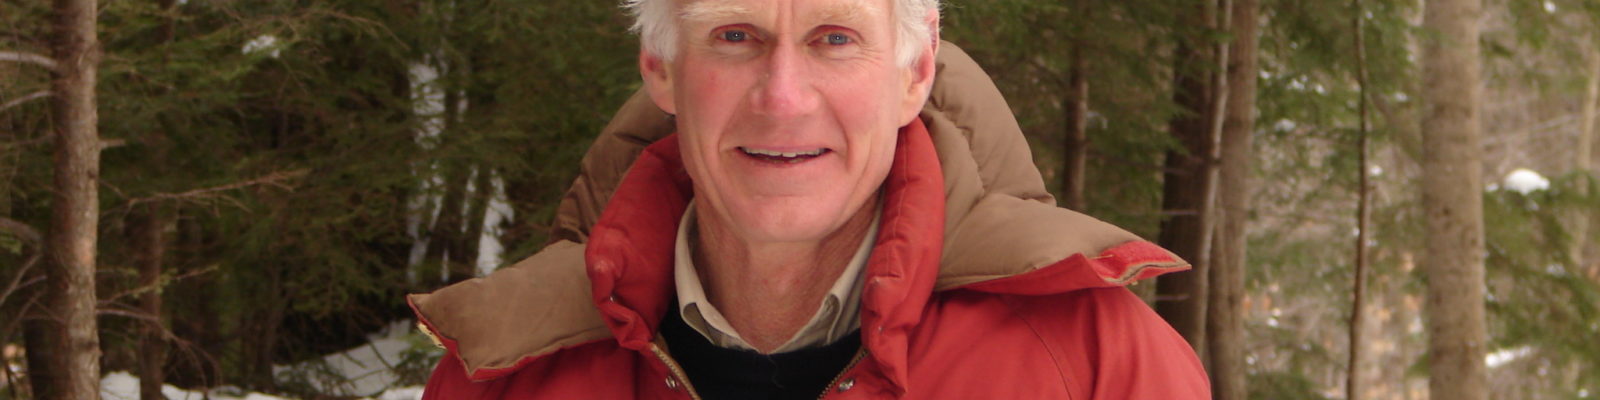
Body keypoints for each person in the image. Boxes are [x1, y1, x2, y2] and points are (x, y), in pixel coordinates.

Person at [410, 0, 1211, 398]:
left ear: (915, 72)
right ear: (661, 68)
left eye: (835, 38)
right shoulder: (507, 375)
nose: (783, 97)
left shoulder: (1098, 365)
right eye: (735, 35)